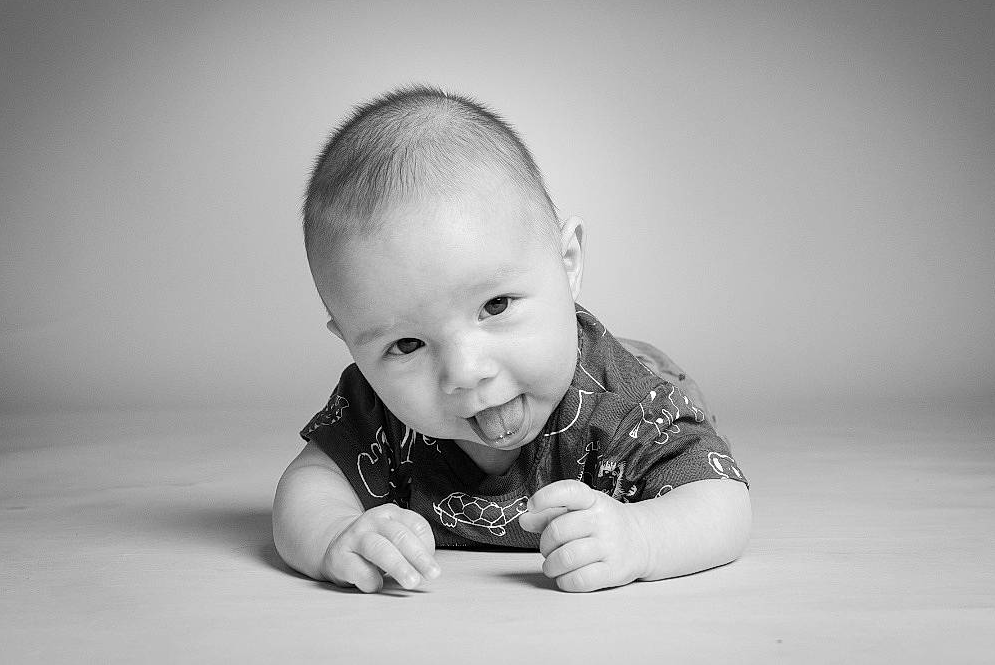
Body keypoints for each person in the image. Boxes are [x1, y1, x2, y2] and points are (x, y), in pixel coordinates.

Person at [272, 86, 751, 593]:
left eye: (495, 306)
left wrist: (641, 536)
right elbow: (306, 485)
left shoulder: (627, 402)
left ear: (567, 264)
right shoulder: (375, 406)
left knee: (665, 407)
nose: (465, 372)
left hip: (641, 369)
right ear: (351, 344)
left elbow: (723, 500)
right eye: (407, 345)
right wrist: (334, 536)